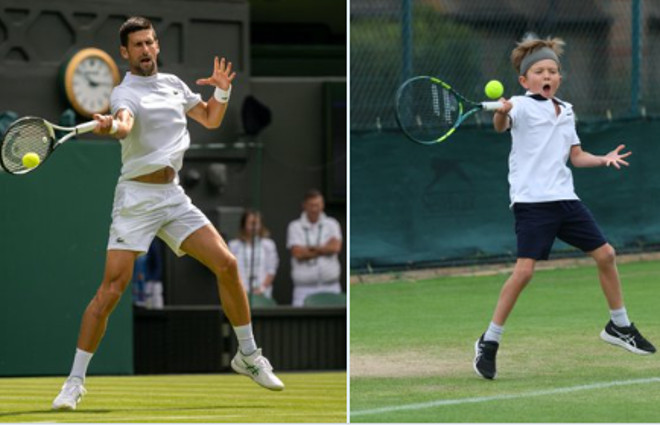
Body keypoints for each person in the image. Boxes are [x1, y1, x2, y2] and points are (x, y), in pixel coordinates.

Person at [52, 16, 283, 411]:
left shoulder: (174, 84)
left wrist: (223, 93)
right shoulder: (125, 93)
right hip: (136, 200)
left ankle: (247, 355)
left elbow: (209, 117)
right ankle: (74, 383)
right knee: (110, 293)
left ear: (157, 46)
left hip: (173, 197)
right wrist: (112, 126)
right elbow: (125, 127)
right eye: (138, 45)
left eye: (150, 42)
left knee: (227, 264)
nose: (146, 49)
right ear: (125, 52)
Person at [473, 37, 656, 380]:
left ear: (559, 78)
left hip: (566, 200)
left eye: (553, 71)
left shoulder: (566, 109)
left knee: (606, 255)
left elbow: (575, 156)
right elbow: (501, 127)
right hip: (532, 203)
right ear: (525, 80)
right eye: (539, 71)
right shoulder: (519, 105)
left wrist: (604, 159)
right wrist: (501, 112)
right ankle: (489, 341)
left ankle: (619, 326)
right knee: (524, 272)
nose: (547, 75)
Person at [286, 189, 343, 306]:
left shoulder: (332, 224)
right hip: (303, 289)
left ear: (322, 205)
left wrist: (310, 249)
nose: (315, 209)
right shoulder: (294, 226)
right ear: (304, 206)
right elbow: (297, 253)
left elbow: (335, 248)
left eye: (318, 205)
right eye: (311, 205)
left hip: (331, 286)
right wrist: (324, 249)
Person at [228, 210, 279, 299]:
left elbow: (271, 270)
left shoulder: (268, 245)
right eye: (251, 223)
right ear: (244, 224)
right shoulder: (233, 245)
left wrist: (262, 288)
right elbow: (231, 271)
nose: (254, 227)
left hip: (263, 293)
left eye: (256, 223)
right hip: (240, 293)